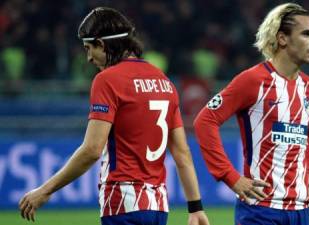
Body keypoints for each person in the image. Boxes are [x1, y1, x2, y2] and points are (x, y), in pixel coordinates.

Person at [19, 7, 209, 225]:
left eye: (89, 48)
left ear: (102, 44)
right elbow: (182, 152)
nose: (89, 58)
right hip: (158, 205)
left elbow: (91, 150)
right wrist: (195, 208)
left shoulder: (107, 80)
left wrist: (45, 190)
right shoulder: (164, 81)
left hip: (122, 202)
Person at [193, 3, 309, 225]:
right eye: (307, 34)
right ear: (282, 39)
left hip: (300, 209)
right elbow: (205, 121)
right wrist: (231, 177)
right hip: (261, 210)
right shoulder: (252, 81)